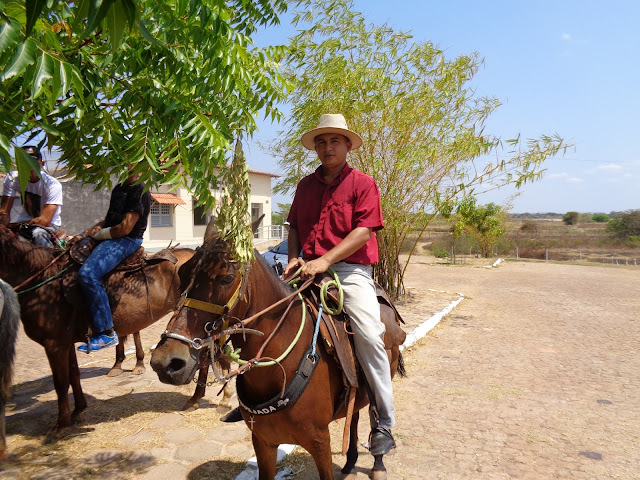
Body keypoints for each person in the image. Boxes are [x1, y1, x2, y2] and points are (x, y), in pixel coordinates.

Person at [282, 113, 396, 455]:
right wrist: (293, 258)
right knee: (262, 315)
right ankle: (257, 396)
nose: (327, 147)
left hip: (349, 272)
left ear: (348, 146)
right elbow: (294, 228)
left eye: (334, 141)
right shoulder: (304, 185)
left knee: (369, 334)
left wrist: (326, 260)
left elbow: (364, 231)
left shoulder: (363, 183)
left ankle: (384, 423)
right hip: (306, 268)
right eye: (321, 141)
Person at [76, 166, 151, 352]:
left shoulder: (139, 189)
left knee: (88, 274)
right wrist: (86, 233)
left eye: (131, 159)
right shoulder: (119, 188)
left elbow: (125, 228)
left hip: (127, 239)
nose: (126, 164)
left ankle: (106, 333)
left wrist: (99, 235)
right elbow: (109, 220)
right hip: (112, 235)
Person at [0, 146, 63, 248]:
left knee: (38, 234)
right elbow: (4, 212)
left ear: (42, 164)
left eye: (34, 163)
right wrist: (2, 227)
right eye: (25, 163)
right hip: (22, 224)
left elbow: (44, 221)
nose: (30, 167)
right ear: (18, 164)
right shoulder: (12, 179)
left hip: (49, 226)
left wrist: (18, 224)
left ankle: (52, 261)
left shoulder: (52, 184)